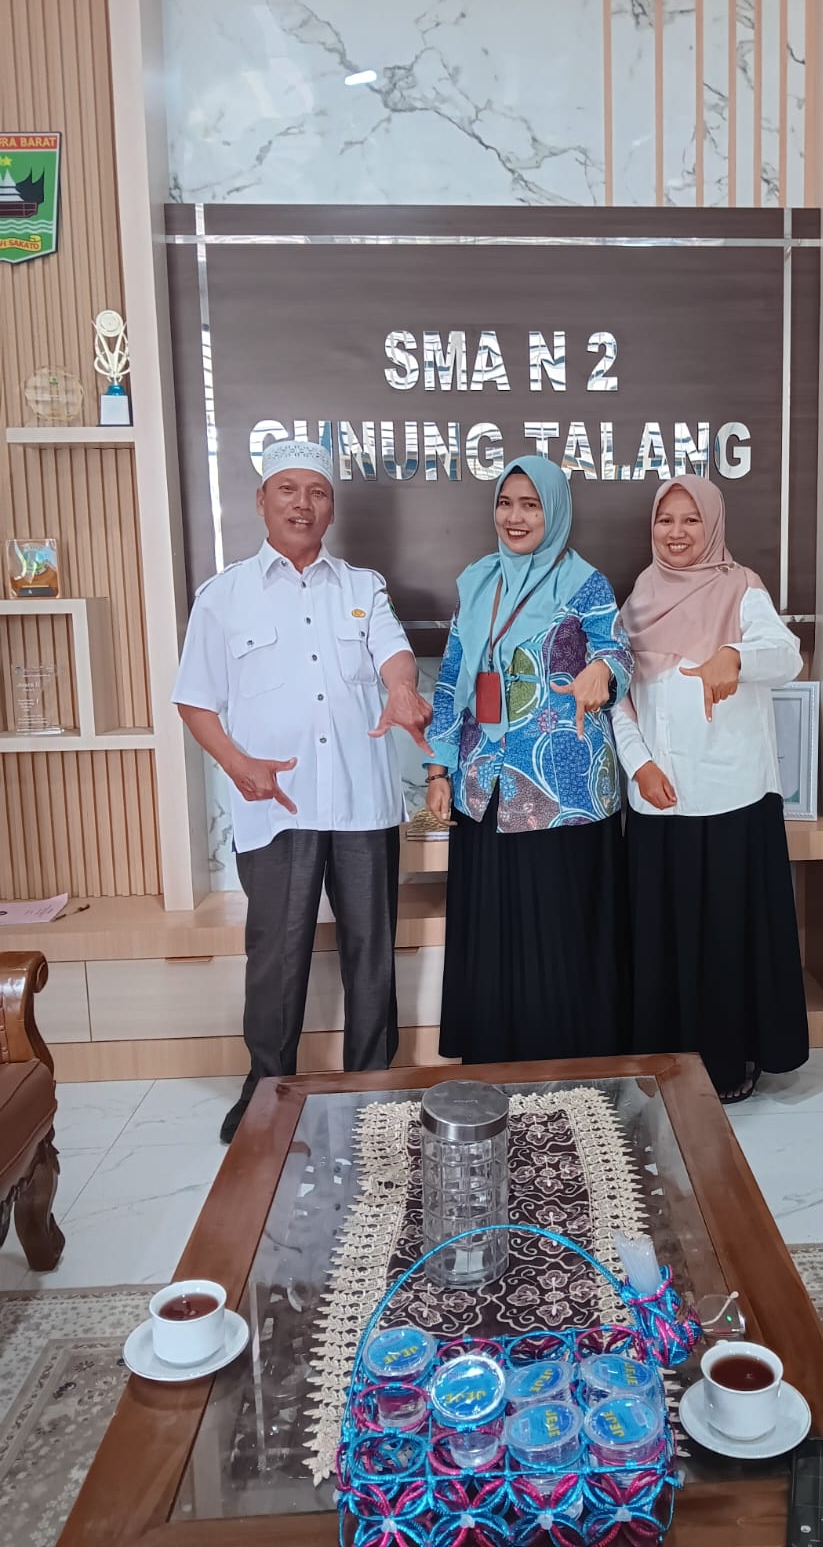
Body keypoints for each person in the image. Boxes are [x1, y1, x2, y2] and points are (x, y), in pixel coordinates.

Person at [172, 439, 433, 1142]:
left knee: (371, 951)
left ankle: (372, 1086)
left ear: (331, 508)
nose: (302, 504)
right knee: (276, 956)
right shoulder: (223, 596)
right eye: (287, 490)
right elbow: (194, 699)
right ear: (262, 501)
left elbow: (394, 653)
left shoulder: (362, 587)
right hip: (275, 804)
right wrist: (236, 764)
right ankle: (267, 1089)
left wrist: (402, 688)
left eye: (316, 492)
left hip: (360, 803)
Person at [425, 455, 633, 1063]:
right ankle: (496, 1063)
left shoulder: (585, 583)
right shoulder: (477, 582)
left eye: (531, 505)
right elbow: (452, 680)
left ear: (556, 511)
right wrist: (438, 769)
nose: (515, 517)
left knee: (560, 928)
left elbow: (618, 650)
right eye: (505, 503)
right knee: (495, 927)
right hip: (485, 784)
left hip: (563, 788)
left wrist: (602, 671)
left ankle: (569, 1065)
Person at [613, 475, 810, 1104]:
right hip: (659, 800)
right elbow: (620, 700)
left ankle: (727, 1065)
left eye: (691, 519)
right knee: (664, 943)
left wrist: (734, 655)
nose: (676, 533)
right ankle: (664, 1064)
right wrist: (639, 765)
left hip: (731, 800)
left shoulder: (740, 588)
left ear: (713, 524)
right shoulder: (636, 603)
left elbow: (786, 655)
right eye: (665, 520)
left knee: (725, 940)